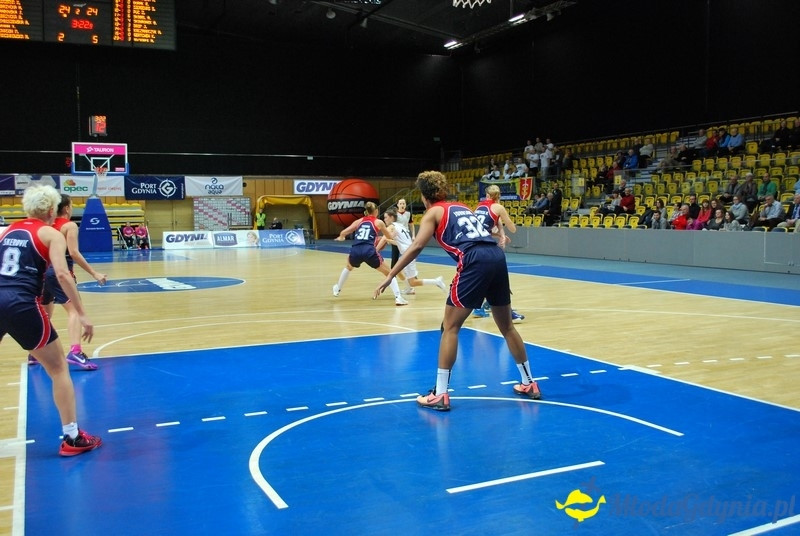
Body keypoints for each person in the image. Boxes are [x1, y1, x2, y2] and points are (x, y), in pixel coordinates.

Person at [374, 171, 540, 411]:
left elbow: (417, 246)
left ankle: (440, 394)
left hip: (474, 259)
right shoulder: (460, 206)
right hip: (496, 256)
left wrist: (390, 274)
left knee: (450, 327)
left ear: (423, 196)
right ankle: (529, 383)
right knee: (507, 327)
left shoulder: (433, 212)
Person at [0, 184, 102, 456]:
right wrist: (81, 312)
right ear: (50, 209)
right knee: (58, 369)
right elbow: (63, 274)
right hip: (21, 303)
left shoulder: (8, 231)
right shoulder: (51, 233)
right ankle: (72, 437)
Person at [30, 194, 107, 370]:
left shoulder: (46, 225)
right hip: (58, 272)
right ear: (66, 208)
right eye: (71, 205)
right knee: (74, 311)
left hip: (41, 272)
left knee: (45, 313)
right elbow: (73, 253)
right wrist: (94, 273)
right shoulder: (69, 225)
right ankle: (75, 351)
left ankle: (34, 354)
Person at [333, 202, 408, 306]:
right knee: (389, 273)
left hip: (356, 250)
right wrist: (393, 235)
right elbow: (389, 237)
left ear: (366, 211)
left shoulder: (359, 221)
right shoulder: (379, 222)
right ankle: (398, 297)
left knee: (348, 267)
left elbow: (344, 232)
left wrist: (341, 237)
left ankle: (337, 288)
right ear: (376, 211)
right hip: (369, 251)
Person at [471, 185, 525, 323]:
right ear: (498, 196)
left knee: (488, 277)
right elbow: (512, 228)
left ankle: (487, 304)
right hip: (486, 248)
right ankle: (503, 310)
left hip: (473, 245)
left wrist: (499, 234)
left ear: (487, 196)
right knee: (497, 278)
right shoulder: (498, 208)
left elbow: (483, 229)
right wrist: (507, 229)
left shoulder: (479, 206)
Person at [378, 208, 446, 295]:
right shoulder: (400, 226)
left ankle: (436, 281)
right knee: (396, 270)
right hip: (409, 252)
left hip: (408, 254)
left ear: (391, 217)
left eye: (386, 217)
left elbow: (384, 239)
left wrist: (375, 250)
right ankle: (409, 288)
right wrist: (390, 239)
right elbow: (399, 242)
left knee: (413, 282)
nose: (384, 219)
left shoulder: (391, 226)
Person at [390, 198, 415, 272]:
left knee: (408, 256)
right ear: (397, 205)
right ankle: (392, 275)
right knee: (395, 257)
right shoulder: (395, 214)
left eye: (403, 203)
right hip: (397, 237)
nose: (402, 205)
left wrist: (413, 235)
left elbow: (411, 225)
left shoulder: (408, 213)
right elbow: (391, 226)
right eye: (400, 203)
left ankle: (412, 273)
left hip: (406, 238)